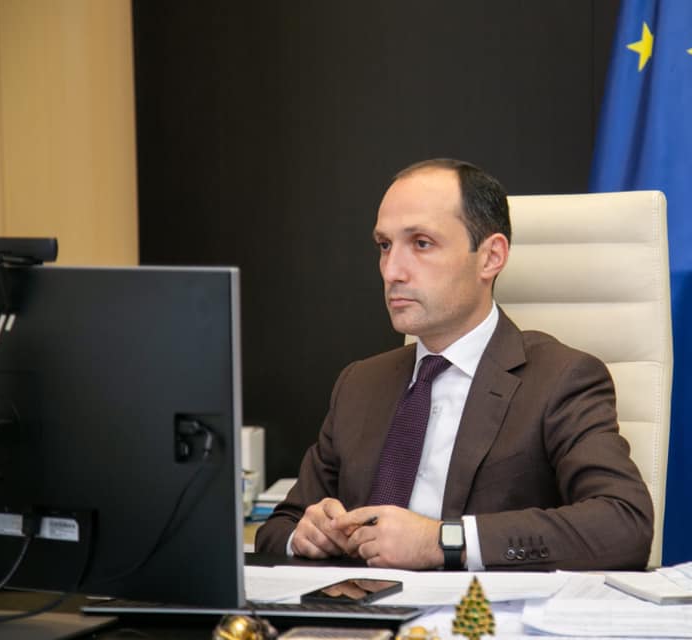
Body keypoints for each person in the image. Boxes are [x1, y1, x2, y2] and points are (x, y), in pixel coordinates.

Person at [255, 158, 653, 570]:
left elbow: (624, 525)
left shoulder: (560, 379)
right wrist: (306, 535)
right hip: (358, 606)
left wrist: (444, 541)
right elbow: (278, 528)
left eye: (421, 243)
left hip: (478, 608)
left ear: (491, 257)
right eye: (385, 245)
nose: (392, 271)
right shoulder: (359, 383)